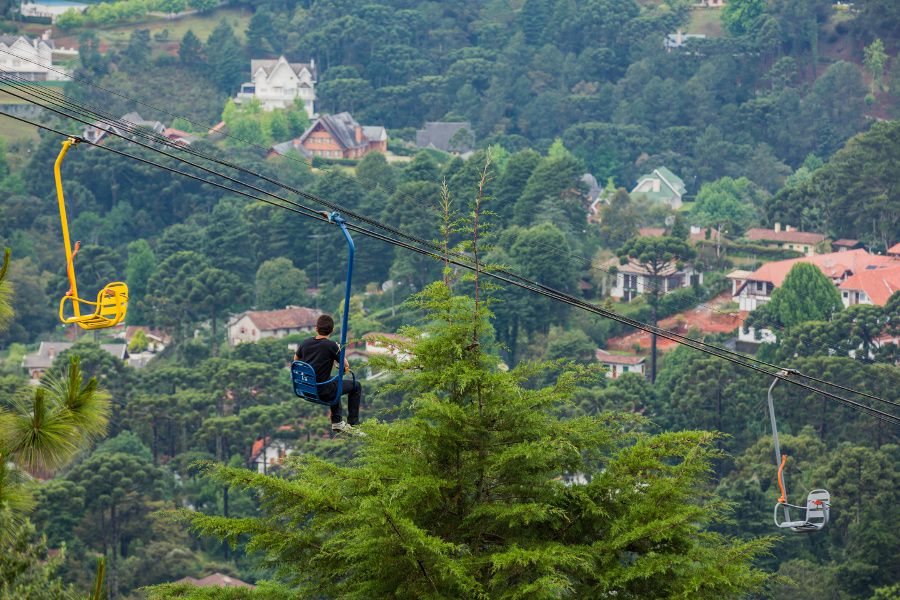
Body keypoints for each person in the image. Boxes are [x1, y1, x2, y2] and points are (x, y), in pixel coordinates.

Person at [295, 314, 363, 433]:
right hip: (323, 391)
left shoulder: (305, 343)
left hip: (307, 388)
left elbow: (296, 361)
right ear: (332, 330)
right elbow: (346, 365)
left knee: (334, 381)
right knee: (356, 385)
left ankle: (337, 421)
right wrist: (338, 348)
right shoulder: (331, 345)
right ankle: (353, 423)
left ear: (316, 328)